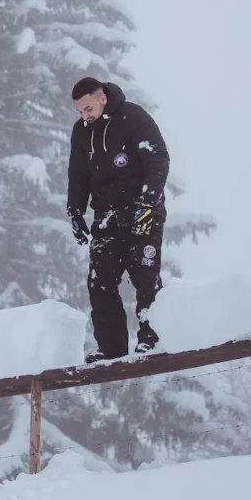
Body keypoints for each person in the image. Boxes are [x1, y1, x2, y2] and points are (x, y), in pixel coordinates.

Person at [66, 77, 170, 363]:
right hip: (107, 216)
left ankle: (151, 339)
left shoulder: (133, 117)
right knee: (99, 283)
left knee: (145, 276)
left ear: (101, 99)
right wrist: (75, 211)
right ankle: (111, 348)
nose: (84, 116)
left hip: (141, 212)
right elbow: (78, 175)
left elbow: (158, 159)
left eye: (87, 108)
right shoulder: (82, 133)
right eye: (79, 112)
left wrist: (148, 204)